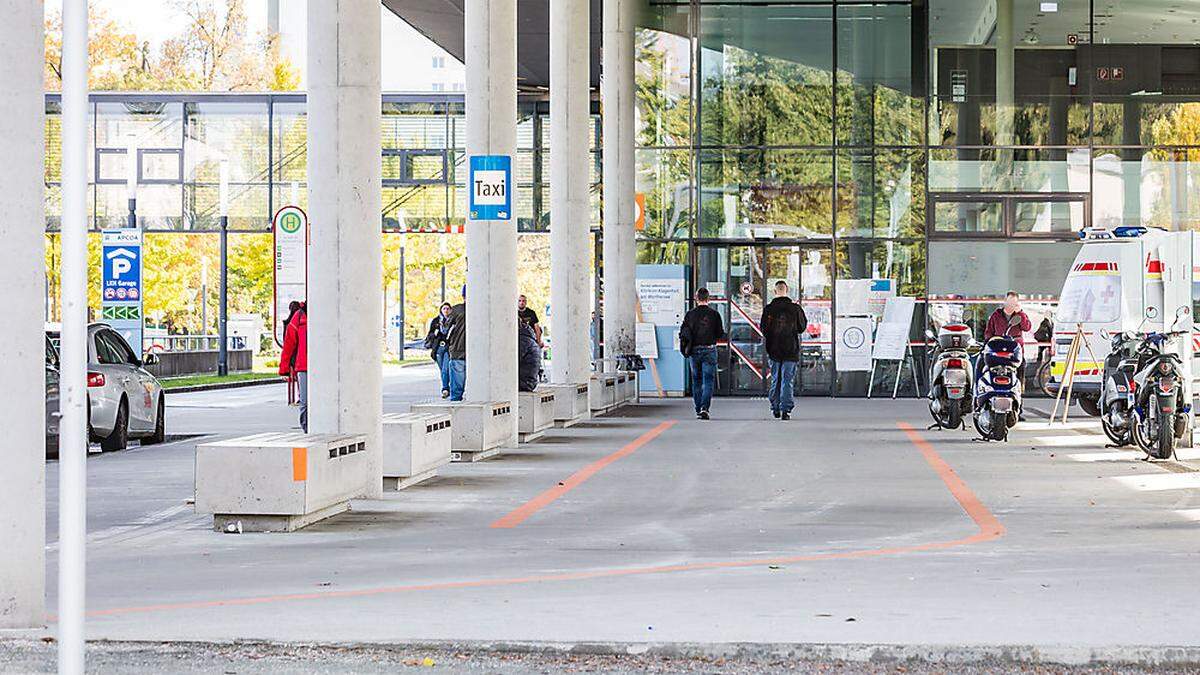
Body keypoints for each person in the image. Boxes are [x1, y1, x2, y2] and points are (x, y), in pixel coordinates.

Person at [760, 281, 808, 421]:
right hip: (790, 349)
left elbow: (764, 329)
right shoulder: (795, 309)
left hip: (773, 349)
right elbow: (802, 327)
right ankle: (786, 410)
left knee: (776, 378)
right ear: (786, 290)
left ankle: (775, 407)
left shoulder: (768, 309)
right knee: (787, 380)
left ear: (775, 292)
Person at [679, 287, 725, 420]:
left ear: (696, 298)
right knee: (709, 380)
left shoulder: (690, 314)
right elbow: (720, 333)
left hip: (694, 351)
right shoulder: (714, 314)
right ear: (708, 298)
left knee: (697, 380)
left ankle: (698, 408)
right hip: (710, 350)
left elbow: (684, 332)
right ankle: (705, 408)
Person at [278, 301, 308, 432]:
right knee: (305, 402)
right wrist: (284, 369)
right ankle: (307, 429)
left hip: (321, 367)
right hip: (304, 366)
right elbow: (289, 344)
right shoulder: (299, 316)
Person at [425, 302, 453, 398]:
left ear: (451, 310)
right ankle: (447, 387)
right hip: (438, 349)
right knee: (442, 370)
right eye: (444, 308)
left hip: (448, 348)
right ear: (441, 310)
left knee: (446, 369)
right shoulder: (436, 321)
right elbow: (429, 335)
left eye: (448, 308)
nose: (446, 310)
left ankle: (445, 389)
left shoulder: (453, 321)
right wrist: (435, 334)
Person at [445, 288, 467, 401]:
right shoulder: (482, 309)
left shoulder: (456, 310)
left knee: (457, 390)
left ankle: (455, 410)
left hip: (458, 352)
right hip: (476, 353)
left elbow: (446, 330)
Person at [518, 320, 542, 392]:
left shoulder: (523, 340)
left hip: (524, 383)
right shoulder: (528, 338)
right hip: (529, 382)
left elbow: (512, 362)